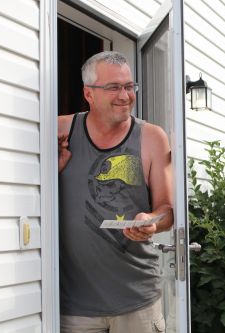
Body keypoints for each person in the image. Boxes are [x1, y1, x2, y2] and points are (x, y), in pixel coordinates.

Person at [58, 51, 173, 333]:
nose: (125, 95)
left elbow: (168, 210)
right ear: (89, 93)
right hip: (74, 307)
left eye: (129, 86)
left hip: (137, 301)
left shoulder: (152, 137)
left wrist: (151, 221)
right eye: (113, 87)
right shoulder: (60, 130)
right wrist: (49, 169)